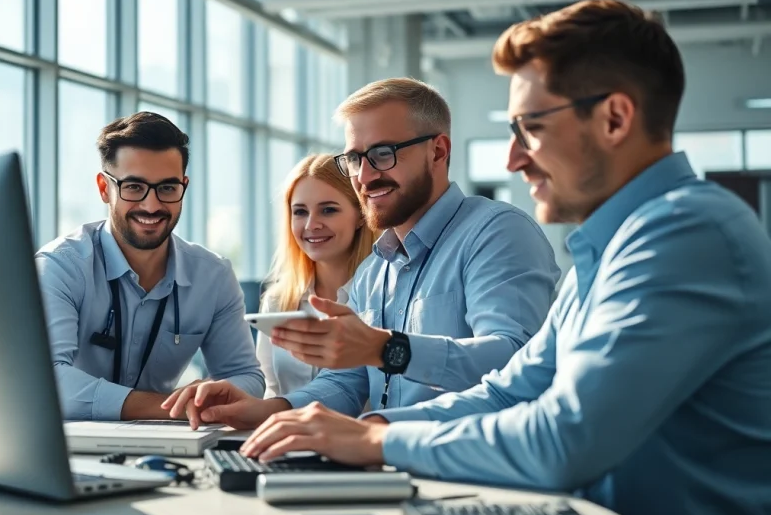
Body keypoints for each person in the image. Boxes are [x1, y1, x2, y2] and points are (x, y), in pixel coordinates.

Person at [234, 0, 771, 515]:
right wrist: (364, 427)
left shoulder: (685, 233)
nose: (513, 159)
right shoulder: (605, 255)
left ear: (614, 118)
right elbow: (509, 390)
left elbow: (564, 438)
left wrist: (376, 439)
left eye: (530, 128)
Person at [163, 78, 560, 429]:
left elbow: (516, 360)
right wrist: (268, 410)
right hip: (391, 464)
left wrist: (386, 348)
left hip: (472, 476)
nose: (365, 176)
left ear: (438, 151)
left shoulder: (496, 232)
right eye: (355, 158)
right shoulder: (374, 272)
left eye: (383, 153)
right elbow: (347, 381)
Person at [36, 111, 264, 421]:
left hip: (170, 446)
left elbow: (246, 376)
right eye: (133, 187)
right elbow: (48, 382)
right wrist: (172, 406)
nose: (152, 205)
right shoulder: (61, 267)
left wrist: (208, 398)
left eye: (167, 188)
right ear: (104, 188)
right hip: (73, 450)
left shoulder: (213, 276)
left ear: (184, 186)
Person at [256, 154, 377, 397]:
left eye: (328, 210)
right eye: (300, 212)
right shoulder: (278, 301)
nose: (312, 225)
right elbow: (271, 389)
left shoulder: (384, 297)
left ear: (361, 216)